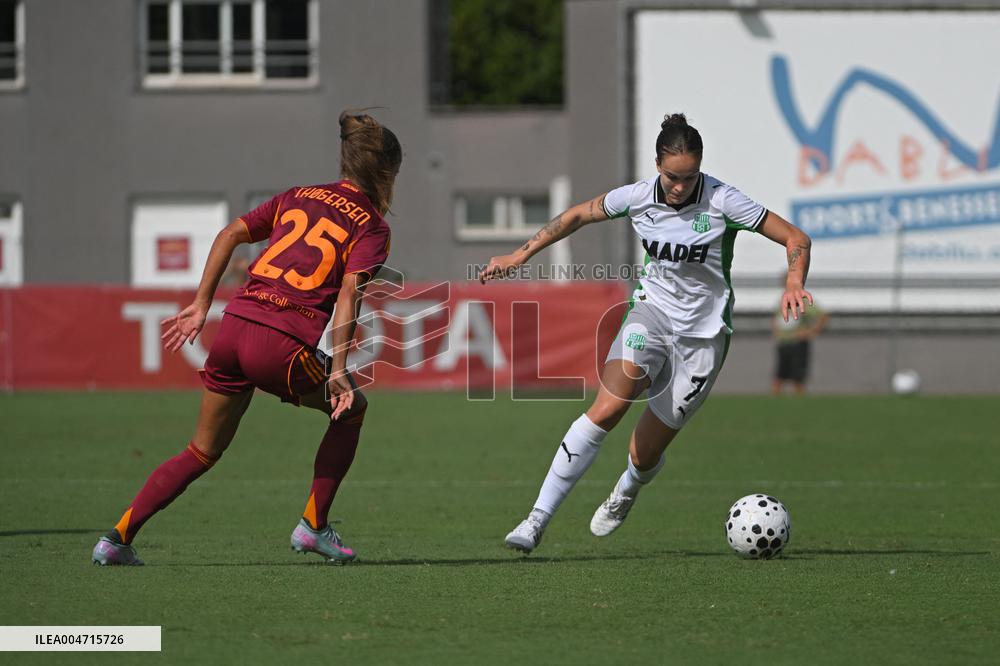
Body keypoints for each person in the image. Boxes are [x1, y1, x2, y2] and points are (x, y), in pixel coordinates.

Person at [480, 113, 814, 553]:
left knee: (643, 453)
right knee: (607, 408)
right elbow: (577, 215)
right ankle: (536, 519)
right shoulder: (637, 197)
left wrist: (793, 282)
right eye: (673, 177)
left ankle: (628, 488)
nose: (680, 186)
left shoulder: (722, 201)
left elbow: (796, 237)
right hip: (651, 315)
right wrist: (521, 255)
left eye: (690, 177)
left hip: (703, 337)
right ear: (658, 166)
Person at [92, 111, 402, 565]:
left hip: (234, 329)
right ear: (386, 172)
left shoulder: (298, 196)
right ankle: (313, 526)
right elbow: (351, 291)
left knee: (201, 450)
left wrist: (201, 304)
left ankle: (116, 539)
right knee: (352, 408)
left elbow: (231, 232)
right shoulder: (372, 225)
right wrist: (337, 369)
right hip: (281, 342)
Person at [772, 299, 828, 395]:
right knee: (778, 379)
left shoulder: (803, 300)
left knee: (797, 380)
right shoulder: (783, 299)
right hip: (783, 344)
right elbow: (777, 318)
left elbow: (823, 317)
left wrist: (810, 332)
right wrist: (777, 332)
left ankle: (801, 407)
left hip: (798, 345)